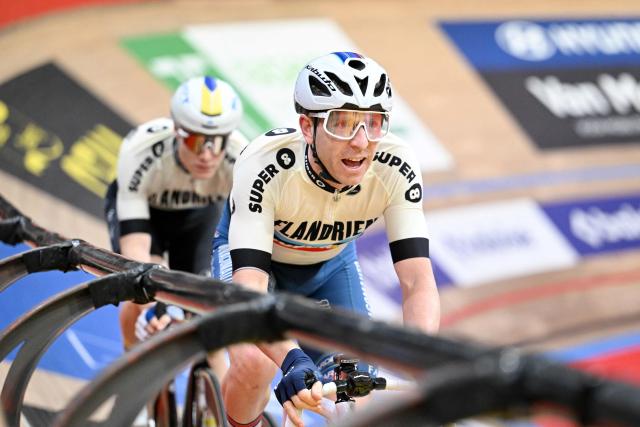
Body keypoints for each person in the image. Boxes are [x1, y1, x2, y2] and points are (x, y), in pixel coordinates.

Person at [211, 52, 440, 427]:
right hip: (257, 267)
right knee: (254, 364)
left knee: (356, 392)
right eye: (343, 123)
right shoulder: (264, 163)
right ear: (306, 126)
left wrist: (419, 357)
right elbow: (250, 289)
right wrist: (291, 359)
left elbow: (417, 280)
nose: (361, 142)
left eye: (373, 122)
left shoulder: (396, 164)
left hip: (329, 267)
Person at [104, 75, 248, 367]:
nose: (207, 155)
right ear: (177, 132)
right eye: (196, 141)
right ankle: (131, 366)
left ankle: (219, 411)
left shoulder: (241, 160)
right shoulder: (141, 150)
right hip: (147, 219)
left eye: (217, 142)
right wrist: (156, 297)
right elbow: (136, 253)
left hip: (198, 220)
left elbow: (244, 240)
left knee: (206, 308)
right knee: (139, 292)